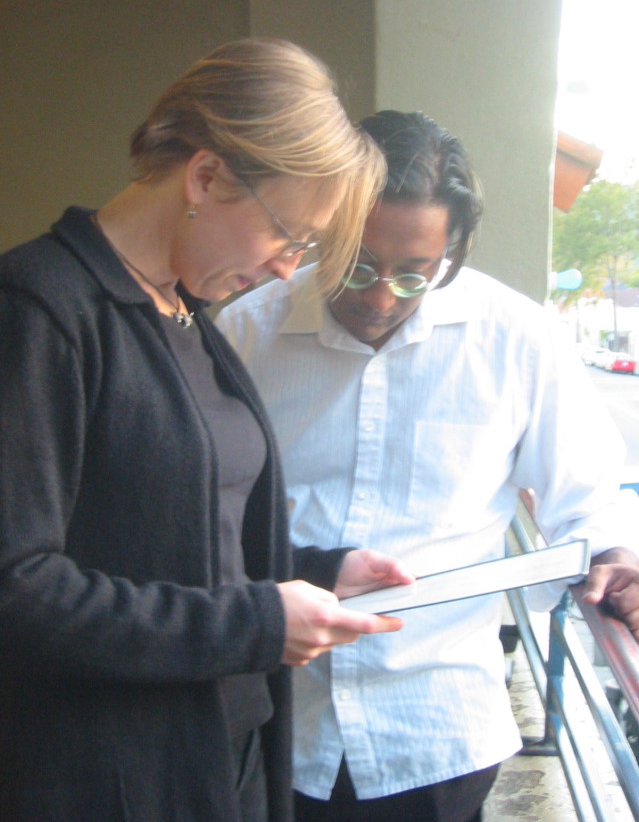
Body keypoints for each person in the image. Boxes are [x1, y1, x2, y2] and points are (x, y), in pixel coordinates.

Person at [0, 41, 416, 822]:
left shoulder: (182, 311)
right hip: (111, 779)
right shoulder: (40, 311)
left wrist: (317, 572)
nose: (289, 268)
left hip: (223, 754)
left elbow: (172, 534)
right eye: (290, 235)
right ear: (206, 176)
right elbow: (16, 587)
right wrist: (255, 624)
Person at [217, 109, 639, 822]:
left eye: (415, 275)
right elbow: (208, 509)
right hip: (278, 714)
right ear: (324, 225)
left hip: (437, 727)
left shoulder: (516, 338)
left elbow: (589, 491)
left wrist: (614, 552)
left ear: (452, 251)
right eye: (357, 264)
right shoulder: (245, 331)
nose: (381, 296)